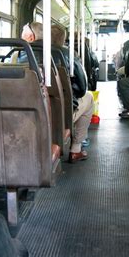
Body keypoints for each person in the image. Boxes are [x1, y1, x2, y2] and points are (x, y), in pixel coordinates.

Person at [51, 25, 94, 163]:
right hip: (59, 114)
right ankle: (76, 149)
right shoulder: (69, 55)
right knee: (88, 97)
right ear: (63, 39)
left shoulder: (22, 54)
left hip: (31, 113)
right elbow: (82, 88)